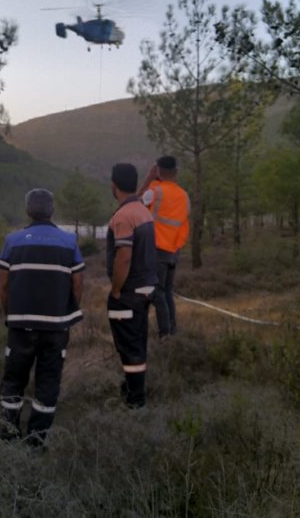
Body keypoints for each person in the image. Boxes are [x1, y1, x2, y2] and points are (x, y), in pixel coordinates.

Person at [0, 188, 85, 445]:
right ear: (52, 210)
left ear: (28, 211)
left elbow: (3, 287)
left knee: (13, 381)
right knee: (48, 382)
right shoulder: (69, 242)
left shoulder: (12, 241)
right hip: (56, 329)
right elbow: (78, 285)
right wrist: (64, 313)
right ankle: (36, 442)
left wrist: (10, 316)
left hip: (20, 326)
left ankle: (8, 437)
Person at [106, 163, 157, 409]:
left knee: (129, 344)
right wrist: (148, 178)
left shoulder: (123, 217)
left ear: (113, 185)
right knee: (136, 339)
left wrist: (116, 290)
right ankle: (132, 388)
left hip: (128, 292)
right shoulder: (142, 210)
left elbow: (124, 256)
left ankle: (135, 401)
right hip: (145, 289)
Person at [138, 155, 190, 338]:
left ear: (158, 171)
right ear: (175, 172)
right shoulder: (184, 195)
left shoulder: (154, 191)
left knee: (157, 292)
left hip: (157, 248)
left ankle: (165, 334)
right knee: (166, 291)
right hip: (174, 249)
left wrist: (148, 178)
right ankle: (172, 331)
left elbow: (134, 203)